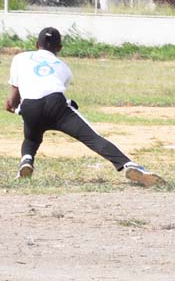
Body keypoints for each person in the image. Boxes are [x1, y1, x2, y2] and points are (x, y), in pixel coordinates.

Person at [5, 27, 164, 187]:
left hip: (30, 106)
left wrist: (14, 106)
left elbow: (14, 98)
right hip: (56, 104)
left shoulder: (20, 58)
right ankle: (128, 165)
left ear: (36, 44)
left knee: (31, 138)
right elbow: (52, 91)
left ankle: (26, 161)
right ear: (59, 48)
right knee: (92, 137)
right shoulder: (63, 67)